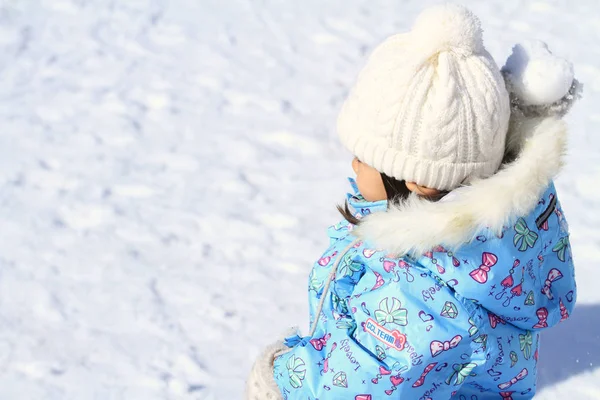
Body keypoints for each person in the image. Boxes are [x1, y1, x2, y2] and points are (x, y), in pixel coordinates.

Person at [246, 4, 581, 399]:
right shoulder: (495, 235)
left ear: (420, 182)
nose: (353, 164)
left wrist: (283, 381)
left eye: (365, 158)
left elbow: (355, 385)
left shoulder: (425, 298)